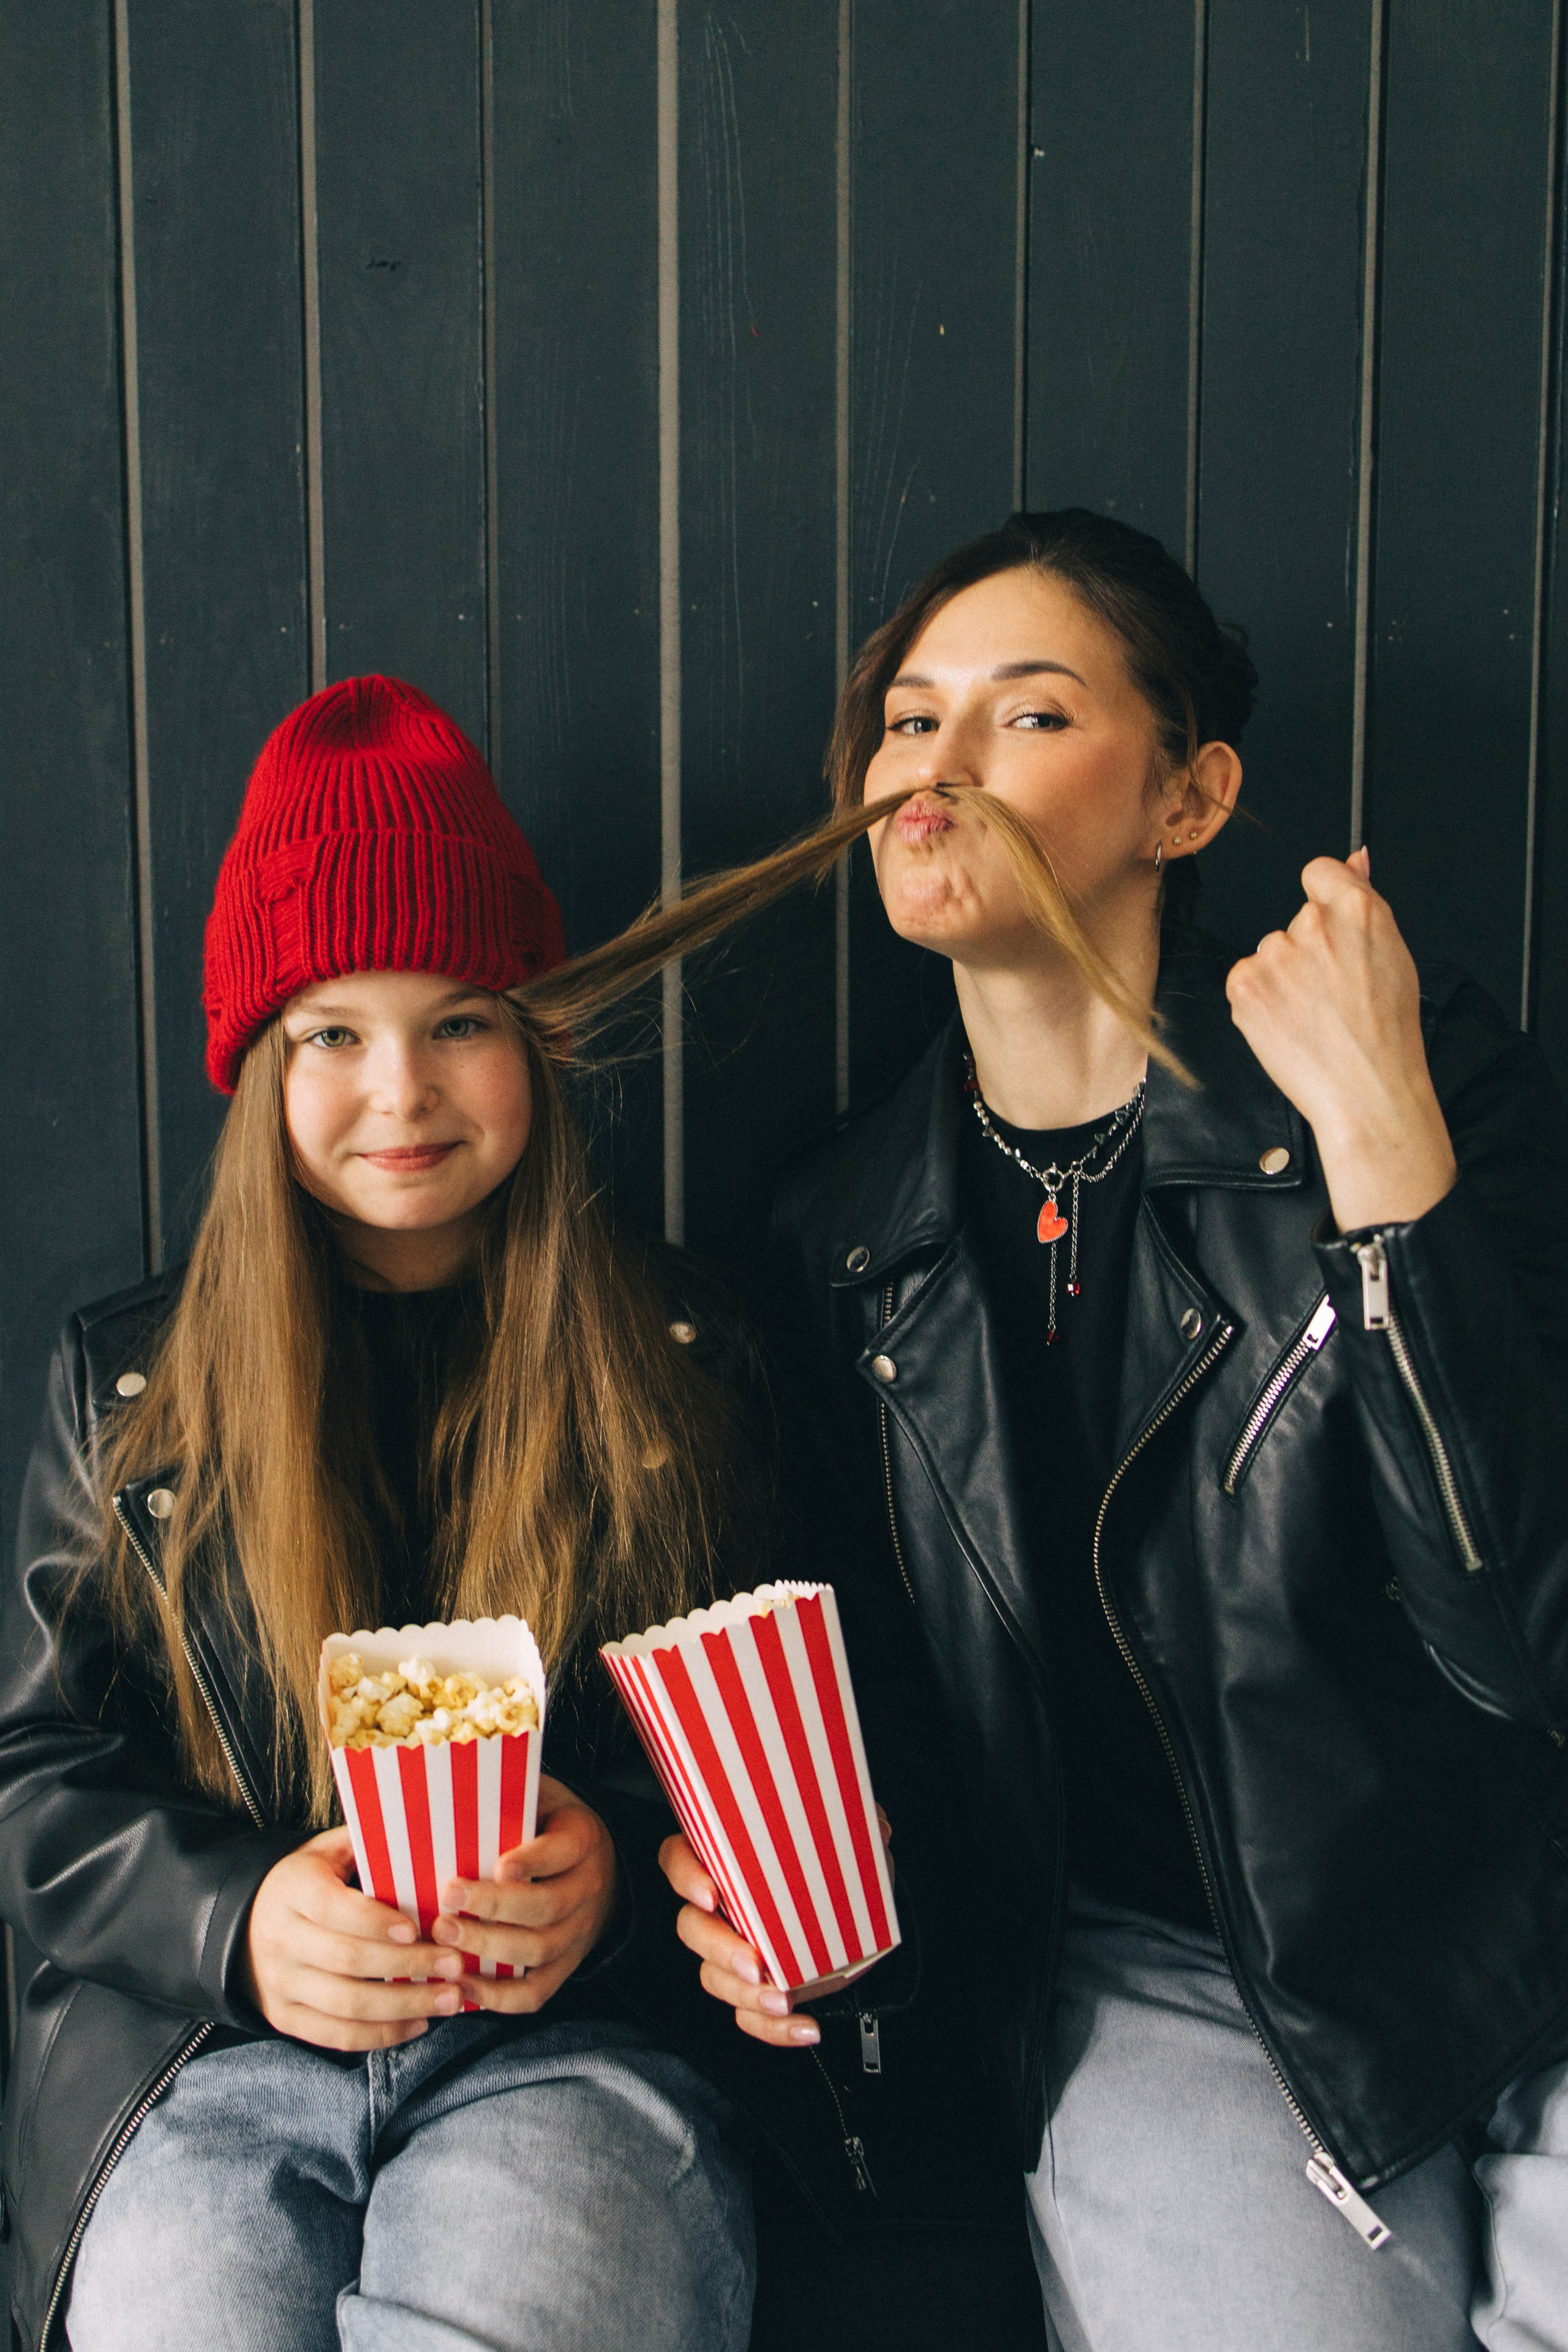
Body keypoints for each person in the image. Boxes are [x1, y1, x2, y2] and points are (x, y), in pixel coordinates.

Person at [662, 510, 1568, 2352]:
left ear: (1190, 798)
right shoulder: (843, 1245)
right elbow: (889, 1725)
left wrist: (1382, 1159)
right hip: (1162, 1979)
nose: (939, 768)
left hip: (1522, 1923)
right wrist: (770, 1895)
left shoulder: (1420, 1075)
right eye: (908, 722)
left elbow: (1524, 1636)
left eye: (1029, 714)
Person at [0, 674, 978, 2352]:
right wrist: (235, 1922)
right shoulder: (132, 1384)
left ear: (539, 1037)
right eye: (332, 1034)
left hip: (577, 2053)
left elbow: (819, 1735)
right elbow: (35, 1772)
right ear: (258, 1067)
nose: (402, 1092)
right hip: (214, 2060)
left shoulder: (695, 1355)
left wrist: (620, 1877)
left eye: (460, 1020)